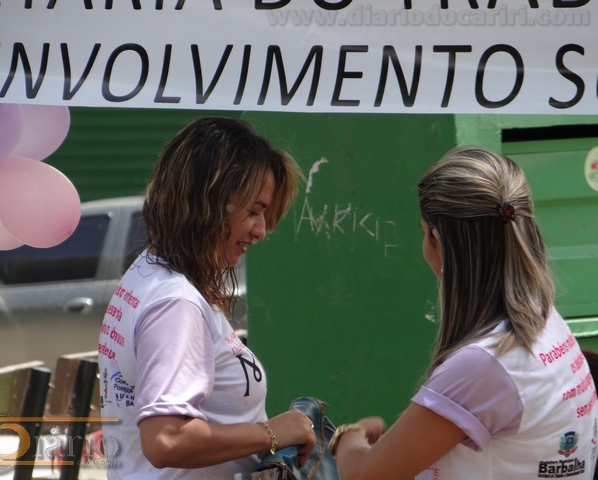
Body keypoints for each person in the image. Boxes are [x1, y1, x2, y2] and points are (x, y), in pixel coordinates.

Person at [331, 147, 598, 479]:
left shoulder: (484, 365)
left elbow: (364, 475)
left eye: (423, 232)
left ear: (437, 240)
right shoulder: (546, 322)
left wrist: (349, 435)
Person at [97, 117, 316, 479]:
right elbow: (167, 440)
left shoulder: (151, 273)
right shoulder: (175, 303)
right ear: (208, 203)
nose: (261, 231)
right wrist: (273, 433)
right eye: (253, 211)